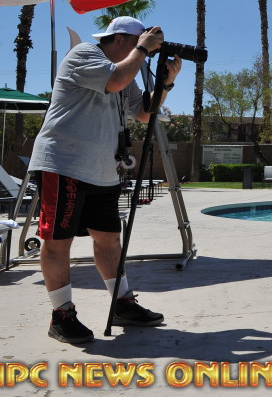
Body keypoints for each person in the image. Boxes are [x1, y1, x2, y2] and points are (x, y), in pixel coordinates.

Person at [28, 17, 182, 343]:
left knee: (109, 239)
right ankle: (61, 315)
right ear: (120, 39)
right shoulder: (84, 54)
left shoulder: (126, 71)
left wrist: (166, 83)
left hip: (102, 170)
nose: (145, 50)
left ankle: (121, 304)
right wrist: (144, 49)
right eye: (140, 42)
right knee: (58, 241)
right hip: (64, 164)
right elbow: (114, 80)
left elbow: (144, 112)